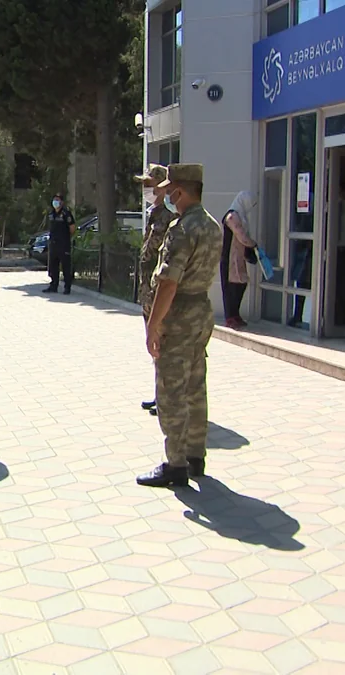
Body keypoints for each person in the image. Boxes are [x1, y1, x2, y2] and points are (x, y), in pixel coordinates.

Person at [139, 164, 223, 489]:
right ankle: (195, 456)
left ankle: (175, 464)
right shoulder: (212, 225)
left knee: (171, 390)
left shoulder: (182, 228)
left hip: (180, 311)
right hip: (202, 309)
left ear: (182, 191)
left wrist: (153, 325)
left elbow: (168, 284)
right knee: (195, 385)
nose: (166, 193)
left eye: (171, 188)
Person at [135, 165, 175, 415]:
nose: (145, 189)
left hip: (157, 291)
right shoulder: (153, 214)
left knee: (162, 343)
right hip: (147, 292)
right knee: (154, 346)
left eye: (149, 185)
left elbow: (156, 254)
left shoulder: (167, 218)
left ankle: (167, 398)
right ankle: (159, 394)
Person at [220, 191, 259, 329]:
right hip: (230, 258)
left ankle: (235, 314)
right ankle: (230, 316)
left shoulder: (241, 216)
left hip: (238, 257)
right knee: (231, 287)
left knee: (241, 284)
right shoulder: (232, 217)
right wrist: (253, 244)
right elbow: (241, 236)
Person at [44, 193, 75, 294]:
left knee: (66, 266)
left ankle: (67, 287)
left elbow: (72, 228)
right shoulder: (51, 214)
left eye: (58, 200)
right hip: (53, 244)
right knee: (53, 266)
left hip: (63, 244)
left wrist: (65, 237)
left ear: (62, 202)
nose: (55, 202)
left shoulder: (66, 214)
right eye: (54, 200)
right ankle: (53, 285)